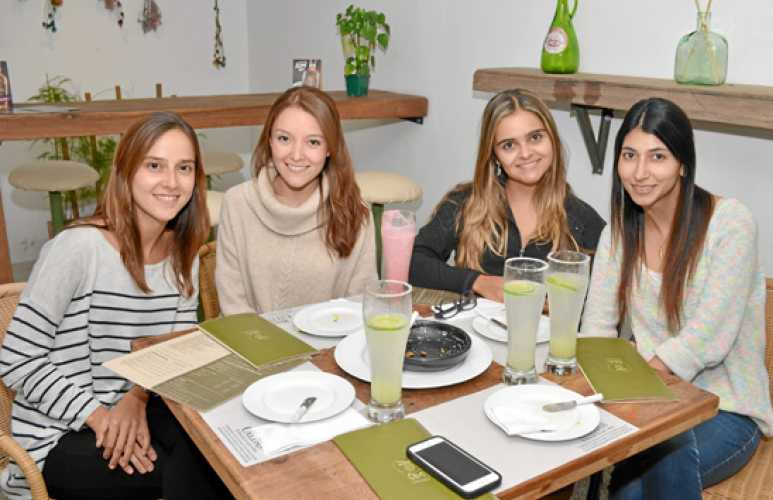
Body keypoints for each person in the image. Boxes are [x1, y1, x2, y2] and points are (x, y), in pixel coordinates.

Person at [0, 112, 231, 499]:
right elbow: (17, 360)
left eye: (184, 167)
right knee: (196, 472)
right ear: (125, 172)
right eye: (154, 166)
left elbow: (168, 354)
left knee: (218, 445)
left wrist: (135, 399)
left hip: (134, 404)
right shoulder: (78, 248)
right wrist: (101, 416)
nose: (172, 183)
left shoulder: (182, 254)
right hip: (58, 432)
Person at [581, 97, 773, 499]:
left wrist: (633, 388)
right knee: (629, 466)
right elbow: (597, 329)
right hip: (649, 401)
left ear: (682, 163)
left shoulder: (730, 223)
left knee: (659, 452)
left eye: (658, 157)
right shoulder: (619, 233)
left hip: (725, 410)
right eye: (629, 155)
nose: (639, 173)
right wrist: (595, 391)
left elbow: (708, 338)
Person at [410, 89, 605, 301]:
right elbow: (412, 262)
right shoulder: (465, 203)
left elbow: (606, 302)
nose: (525, 153)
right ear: (493, 155)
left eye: (535, 137)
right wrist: (478, 282)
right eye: (509, 145)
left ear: (553, 142)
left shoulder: (583, 220)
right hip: (474, 331)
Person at [216, 86, 376, 314]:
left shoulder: (355, 213)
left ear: (330, 148)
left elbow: (359, 305)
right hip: (248, 343)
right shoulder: (237, 203)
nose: (296, 155)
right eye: (284, 139)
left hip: (328, 345)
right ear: (269, 140)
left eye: (313, 142)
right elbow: (233, 306)